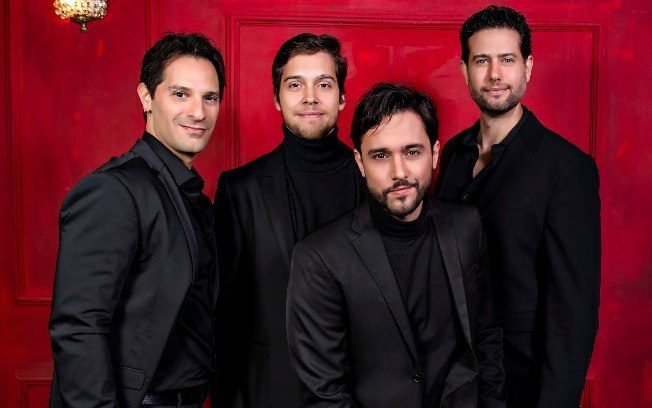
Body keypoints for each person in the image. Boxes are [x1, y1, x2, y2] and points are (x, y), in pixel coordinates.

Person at [287, 83, 505, 407]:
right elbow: (325, 395)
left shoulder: (466, 226)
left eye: (412, 152)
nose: (399, 172)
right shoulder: (319, 258)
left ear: (435, 153)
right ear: (360, 162)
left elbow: (486, 337)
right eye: (380, 156)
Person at [435, 5, 601, 406]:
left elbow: (573, 313)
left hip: (522, 384)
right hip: (452, 379)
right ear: (464, 70)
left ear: (528, 66)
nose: (495, 74)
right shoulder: (453, 153)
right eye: (482, 60)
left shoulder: (567, 168)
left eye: (507, 59)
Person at [49, 33, 225, 408]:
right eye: (180, 94)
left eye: (209, 97)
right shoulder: (112, 191)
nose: (198, 112)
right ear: (146, 97)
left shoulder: (191, 196)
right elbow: (78, 327)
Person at [212, 33, 364, 408]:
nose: (310, 97)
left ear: (342, 97)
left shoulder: (374, 181)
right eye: (295, 85)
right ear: (277, 98)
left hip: (361, 391)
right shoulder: (240, 189)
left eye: (323, 84)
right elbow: (225, 317)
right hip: (269, 391)